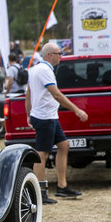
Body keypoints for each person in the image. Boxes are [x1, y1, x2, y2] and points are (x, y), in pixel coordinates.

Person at [25, 42, 88, 203]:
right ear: (50, 55)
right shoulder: (45, 70)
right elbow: (57, 95)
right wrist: (77, 110)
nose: (61, 56)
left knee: (64, 145)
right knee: (42, 154)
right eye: (59, 53)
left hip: (49, 116)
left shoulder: (35, 69)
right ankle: (39, 192)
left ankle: (62, 186)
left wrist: (28, 114)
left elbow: (29, 93)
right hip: (45, 117)